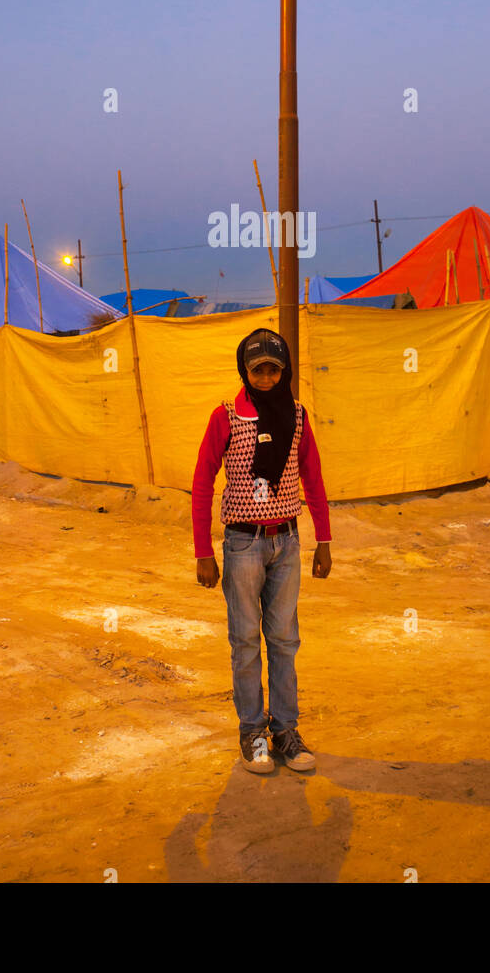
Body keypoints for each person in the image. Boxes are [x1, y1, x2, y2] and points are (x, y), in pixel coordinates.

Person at [192, 327, 332, 775]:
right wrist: (203, 550)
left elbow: (313, 477)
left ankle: (286, 731)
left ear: (284, 370)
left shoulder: (297, 415)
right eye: (258, 370)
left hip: (287, 540)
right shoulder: (227, 416)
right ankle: (252, 731)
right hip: (242, 543)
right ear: (245, 371)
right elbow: (202, 482)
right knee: (246, 642)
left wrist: (323, 540)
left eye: (274, 369)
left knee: (285, 641)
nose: (267, 378)